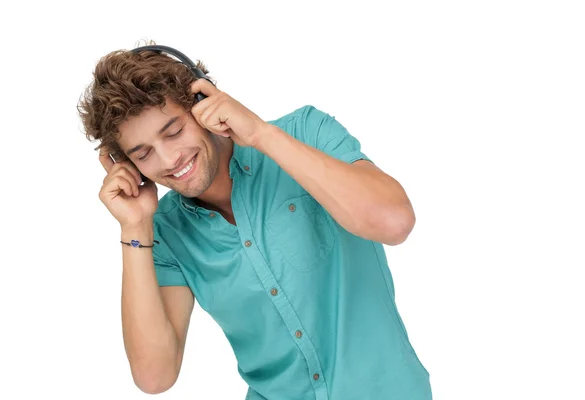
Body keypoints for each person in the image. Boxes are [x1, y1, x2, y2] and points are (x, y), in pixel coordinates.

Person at [78, 42, 432, 400]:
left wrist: (261, 134)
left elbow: (394, 222)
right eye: (144, 153)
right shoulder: (165, 232)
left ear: (202, 106)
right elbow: (155, 377)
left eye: (173, 132)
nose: (169, 159)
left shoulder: (306, 132)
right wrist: (134, 228)